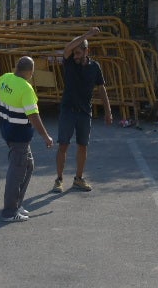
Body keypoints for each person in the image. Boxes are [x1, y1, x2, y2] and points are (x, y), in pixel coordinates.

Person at [52, 26, 114, 193]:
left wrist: (108, 111)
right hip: (68, 110)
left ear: (87, 51)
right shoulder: (69, 63)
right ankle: (59, 180)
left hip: (85, 112)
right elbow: (68, 48)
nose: (75, 56)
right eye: (74, 53)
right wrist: (87, 35)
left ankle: (78, 179)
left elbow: (102, 89)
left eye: (78, 53)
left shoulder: (95, 67)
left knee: (83, 146)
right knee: (63, 145)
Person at [0, 56, 54, 221]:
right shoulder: (26, 89)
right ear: (30, 72)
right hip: (19, 136)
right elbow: (33, 115)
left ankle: (16, 204)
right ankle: (9, 212)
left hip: (8, 131)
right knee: (16, 172)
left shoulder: (6, 78)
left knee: (28, 165)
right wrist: (46, 136)